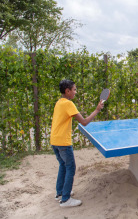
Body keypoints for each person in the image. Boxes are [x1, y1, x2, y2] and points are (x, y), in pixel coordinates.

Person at [50, 79, 104, 207]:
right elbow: (84, 122)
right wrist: (97, 110)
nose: (75, 92)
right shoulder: (69, 104)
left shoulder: (59, 102)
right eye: (74, 89)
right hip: (63, 142)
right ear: (67, 91)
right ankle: (65, 199)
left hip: (54, 141)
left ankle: (60, 193)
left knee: (63, 165)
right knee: (70, 167)